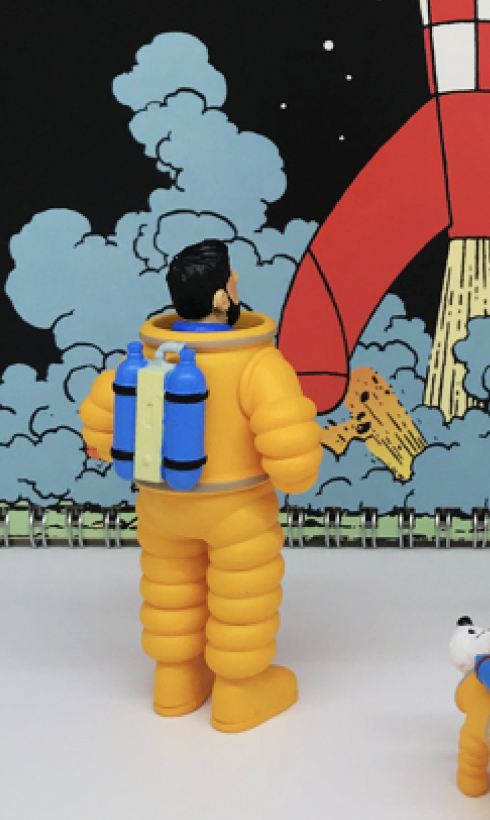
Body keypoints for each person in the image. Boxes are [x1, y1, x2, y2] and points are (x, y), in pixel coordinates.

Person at [80, 236, 323, 730]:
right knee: (241, 597)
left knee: (171, 591)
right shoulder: (257, 362)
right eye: (233, 278)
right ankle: (239, 691)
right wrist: (296, 473)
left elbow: (101, 424)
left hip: (162, 505)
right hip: (235, 511)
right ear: (220, 297)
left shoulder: (148, 358)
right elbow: (293, 459)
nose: (238, 283)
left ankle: (174, 681)